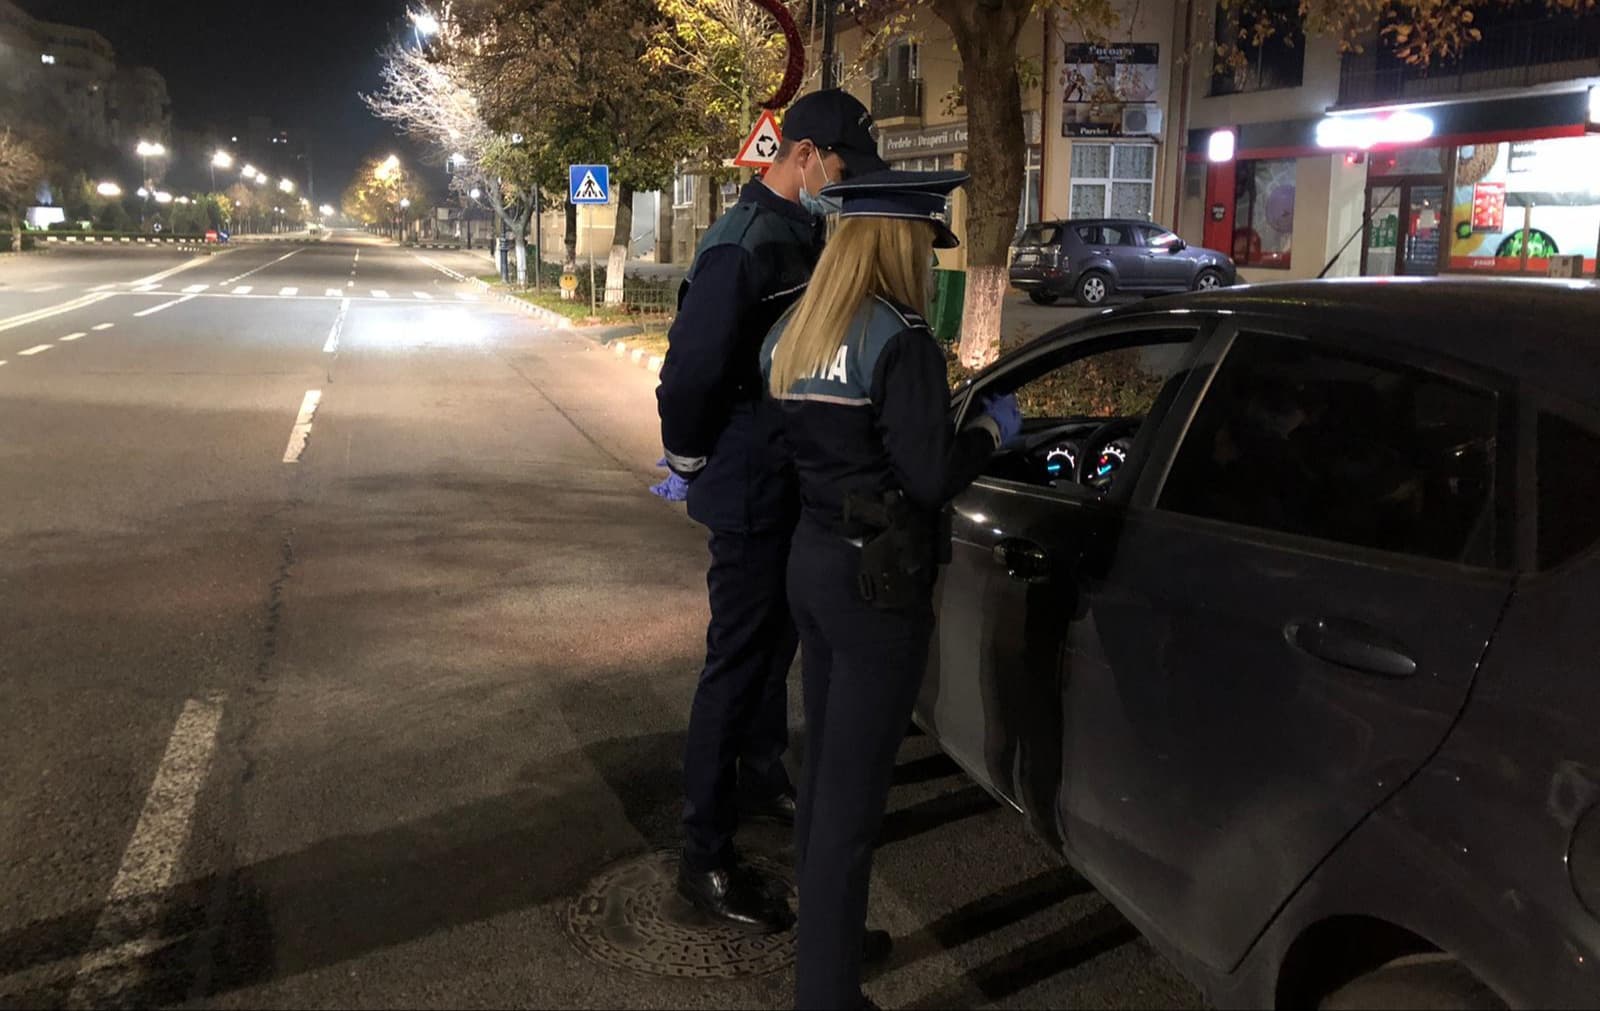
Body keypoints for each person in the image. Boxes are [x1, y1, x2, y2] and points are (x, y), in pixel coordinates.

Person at [760, 169, 1021, 1009]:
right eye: (925, 245)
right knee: (852, 802)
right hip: (876, 587)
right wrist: (993, 431)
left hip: (811, 563)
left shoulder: (795, 331)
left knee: (822, 776)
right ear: (900, 242)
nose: (930, 261)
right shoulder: (899, 340)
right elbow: (931, 475)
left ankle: (828, 951)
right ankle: (827, 995)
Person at [655, 89, 891, 932]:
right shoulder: (744, 242)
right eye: (841, 168)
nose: (846, 185)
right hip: (751, 487)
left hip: (790, 482)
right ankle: (704, 855)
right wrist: (686, 457)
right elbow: (690, 372)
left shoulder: (805, 234)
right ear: (804, 157)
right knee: (736, 665)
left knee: (771, 655)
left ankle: (759, 777)